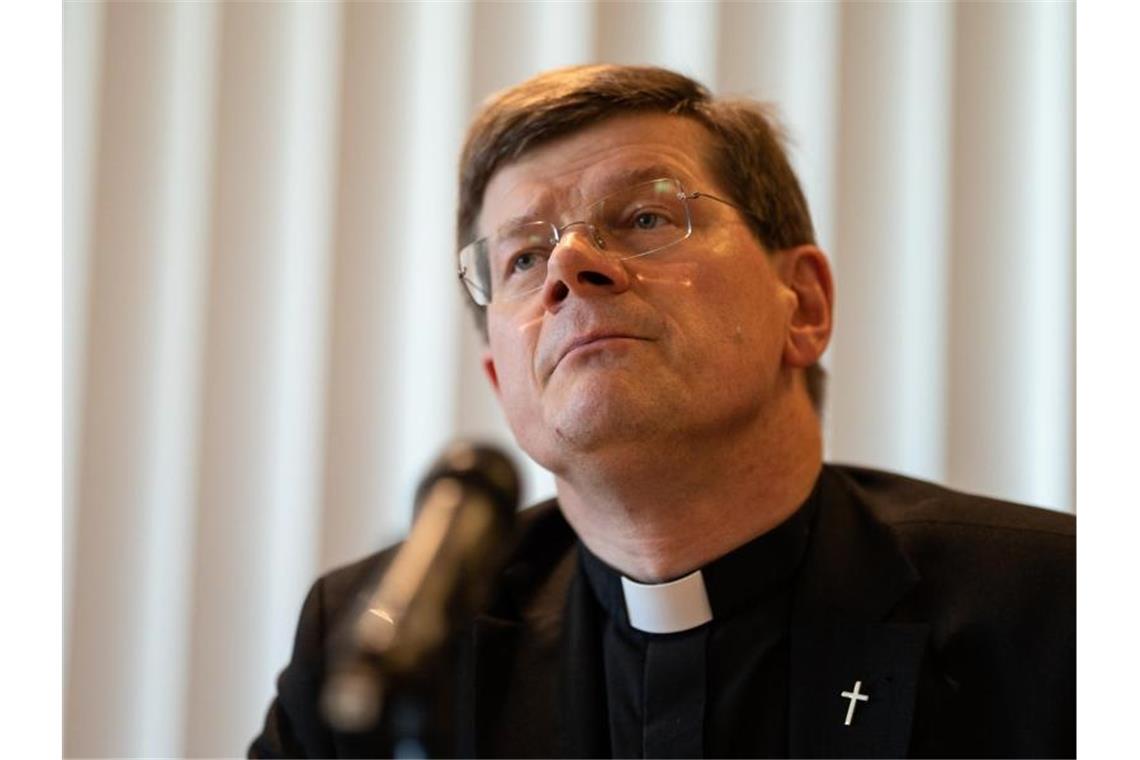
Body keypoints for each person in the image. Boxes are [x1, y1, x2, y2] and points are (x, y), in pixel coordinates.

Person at [250, 64, 1075, 758]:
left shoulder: (1056, 611)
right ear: (503, 382)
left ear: (804, 305)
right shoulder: (383, 651)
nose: (570, 268)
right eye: (526, 257)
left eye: (645, 217)